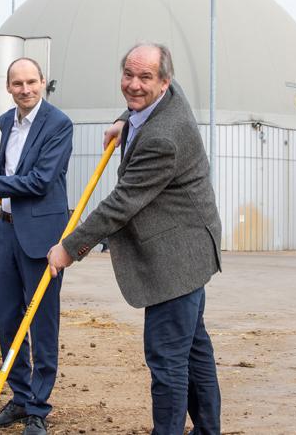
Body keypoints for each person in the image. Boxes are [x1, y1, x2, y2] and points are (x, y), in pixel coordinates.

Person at [46, 43, 222, 435]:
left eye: (145, 78)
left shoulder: (164, 138)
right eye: (129, 74)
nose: (134, 84)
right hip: (192, 242)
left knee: (167, 360)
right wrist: (125, 121)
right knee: (193, 349)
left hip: (177, 256)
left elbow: (121, 203)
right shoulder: (166, 101)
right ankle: (209, 431)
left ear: (164, 82)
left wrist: (69, 248)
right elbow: (140, 106)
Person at [0, 57, 73, 435]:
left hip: (43, 238)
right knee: (9, 319)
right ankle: (21, 397)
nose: (25, 89)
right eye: (17, 84)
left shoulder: (59, 124)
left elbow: (41, 181)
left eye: (31, 82)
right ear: (8, 88)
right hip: (7, 231)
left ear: (43, 82)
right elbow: (13, 170)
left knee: (42, 323)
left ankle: (38, 410)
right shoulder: (5, 122)